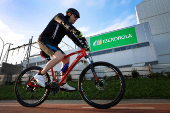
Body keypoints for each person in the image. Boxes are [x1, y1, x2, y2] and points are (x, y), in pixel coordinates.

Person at [34, 8, 85, 92]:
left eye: (77, 18)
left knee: (66, 60)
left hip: (52, 45)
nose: (76, 19)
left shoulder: (67, 28)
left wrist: (82, 44)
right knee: (60, 56)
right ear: (69, 13)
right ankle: (40, 75)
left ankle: (63, 84)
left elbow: (73, 38)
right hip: (44, 40)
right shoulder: (59, 17)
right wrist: (75, 30)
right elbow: (65, 22)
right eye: (75, 16)